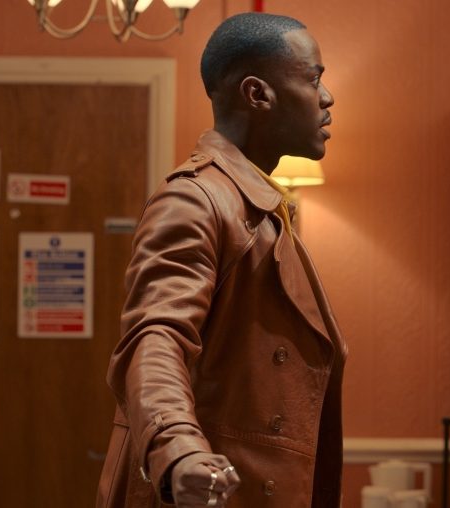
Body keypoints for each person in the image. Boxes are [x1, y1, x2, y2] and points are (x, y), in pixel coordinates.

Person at [96, 12, 346, 507]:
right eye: (313, 77)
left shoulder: (262, 207)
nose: (326, 96)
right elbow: (156, 336)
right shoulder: (196, 200)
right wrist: (179, 450)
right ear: (257, 94)